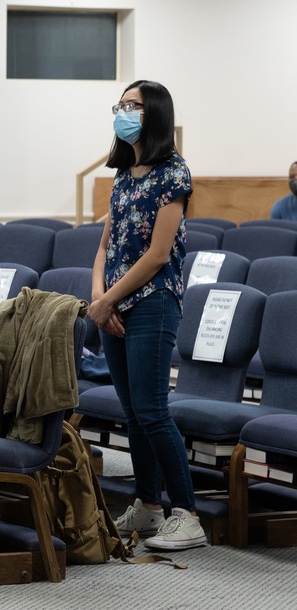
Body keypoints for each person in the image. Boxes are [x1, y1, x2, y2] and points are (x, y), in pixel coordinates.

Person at [87, 80, 206, 550]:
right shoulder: (122, 174)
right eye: (121, 105)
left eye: (133, 105)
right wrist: (100, 298)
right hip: (115, 303)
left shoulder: (174, 174)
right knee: (134, 414)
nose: (124, 112)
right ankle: (149, 505)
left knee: (154, 412)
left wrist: (109, 299)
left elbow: (158, 255)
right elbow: (104, 247)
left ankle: (188, 513)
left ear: (153, 113)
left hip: (153, 302)